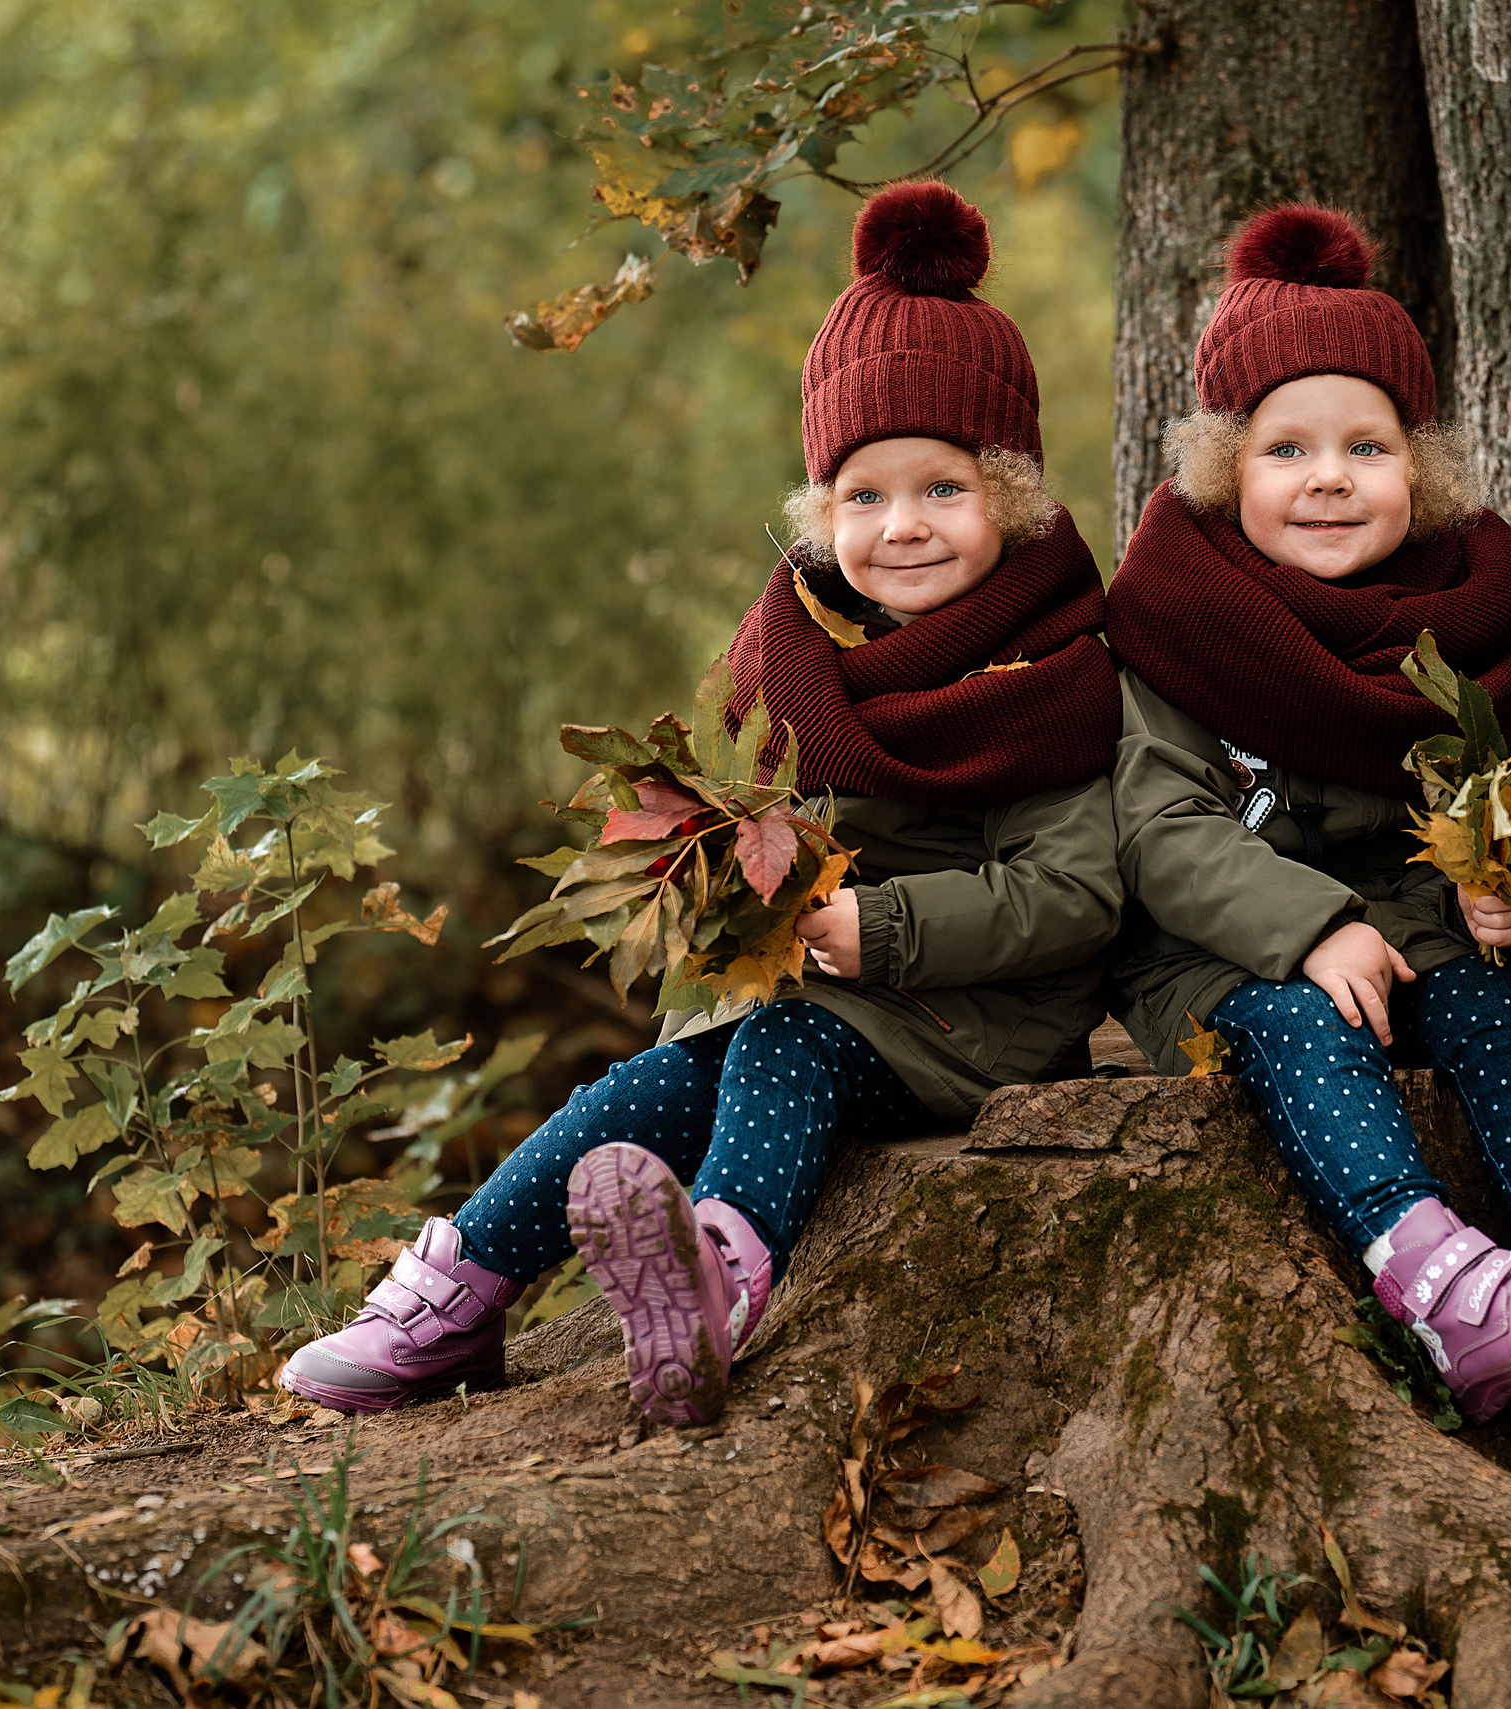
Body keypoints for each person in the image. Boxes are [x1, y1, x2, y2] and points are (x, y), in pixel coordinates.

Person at [280, 182, 1123, 1423]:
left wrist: (882, 929)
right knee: (641, 1087)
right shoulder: (798, 647)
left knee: (781, 1048)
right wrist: (706, 874)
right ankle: (458, 1292)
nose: (903, 526)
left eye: (943, 489)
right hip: (823, 991)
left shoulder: (1050, 669)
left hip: (973, 1020)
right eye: (865, 495)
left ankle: (712, 1284)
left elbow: (1076, 893)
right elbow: (746, 817)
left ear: (1011, 491)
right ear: (822, 513)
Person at [1102, 203, 1511, 1422]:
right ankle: (1442, 1284)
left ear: (1419, 469)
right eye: (1285, 449)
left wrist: (1501, 895)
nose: (1329, 476)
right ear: (1224, 470)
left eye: (1367, 446)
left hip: (1405, 929)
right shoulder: (1176, 624)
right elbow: (1159, 831)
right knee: (1302, 1023)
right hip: (1218, 956)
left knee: (1503, 1005)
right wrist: (1309, 927)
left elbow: (1487, 797)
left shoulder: (1456, 627)